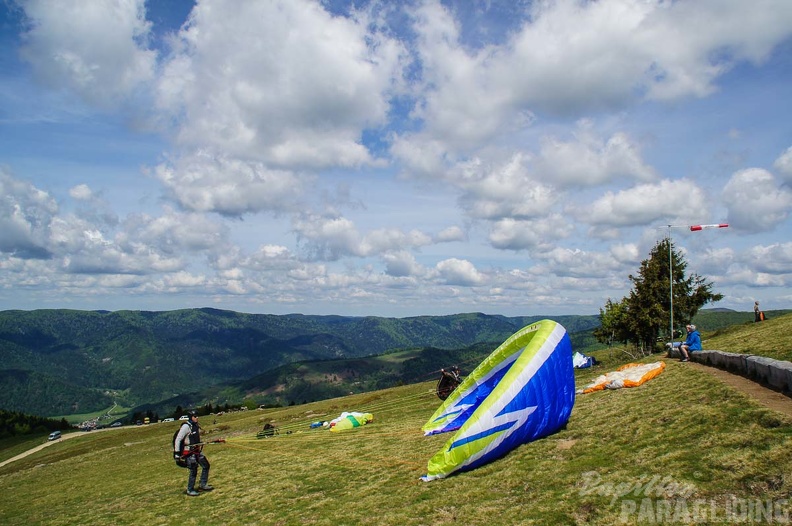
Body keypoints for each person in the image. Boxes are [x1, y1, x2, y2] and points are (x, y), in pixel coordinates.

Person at [174, 410, 213, 496]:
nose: (197, 418)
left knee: (206, 465)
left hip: (197, 451)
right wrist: (177, 453)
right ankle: (190, 489)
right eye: (195, 416)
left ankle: (203, 484)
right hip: (189, 452)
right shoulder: (186, 427)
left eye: (197, 416)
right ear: (191, 417)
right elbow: (178, 439)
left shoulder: (195, 425)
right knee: (193, 470)